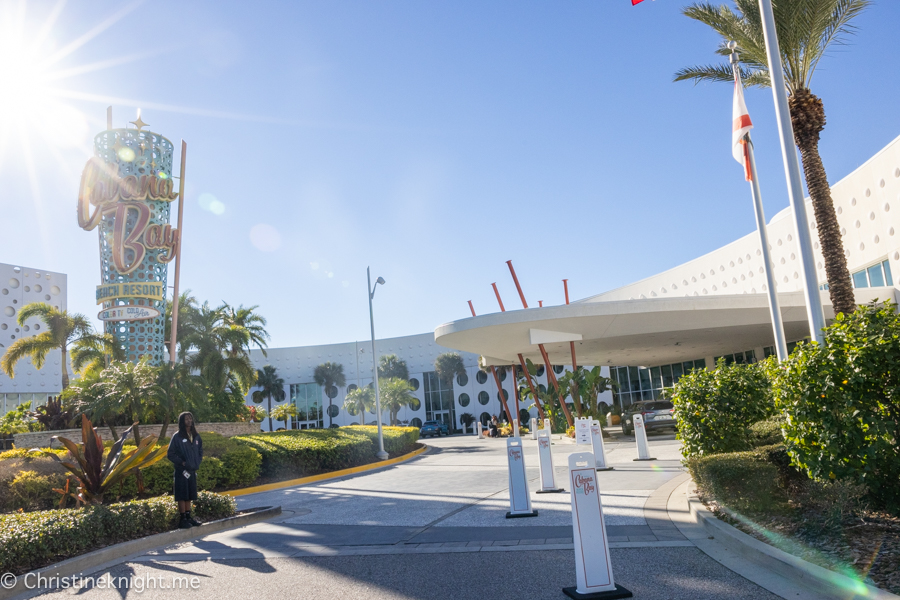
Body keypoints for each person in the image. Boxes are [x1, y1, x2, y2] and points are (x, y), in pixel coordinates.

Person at [167, 411, 203, 529]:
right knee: (182, 494)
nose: (189, 420)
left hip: (191, 470)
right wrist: (182, 463)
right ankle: (182, 519)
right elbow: (170, 454)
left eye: (190, 418)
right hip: (181, 471)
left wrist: (196, 462)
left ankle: (188, 517)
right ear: (182, 421)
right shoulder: (177, 437)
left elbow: (200, 451)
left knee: (190, 494)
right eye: (186, 419)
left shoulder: (196, 436)